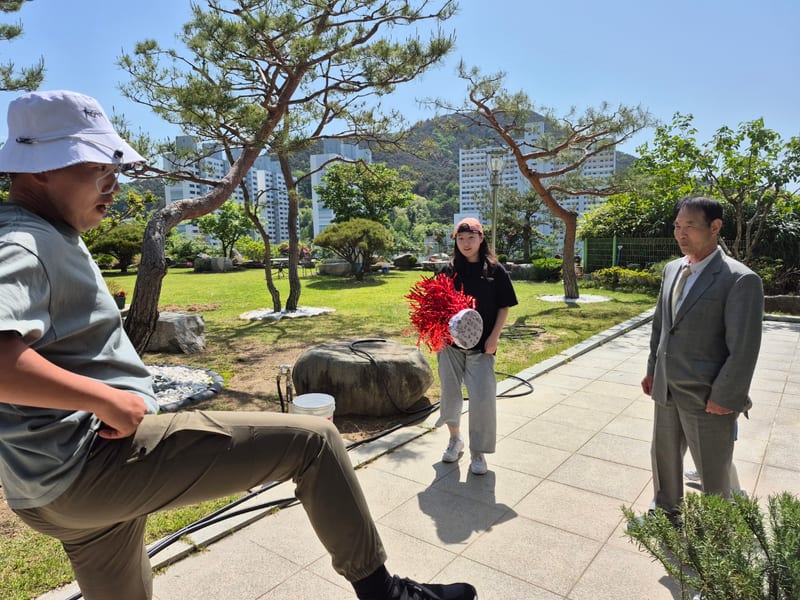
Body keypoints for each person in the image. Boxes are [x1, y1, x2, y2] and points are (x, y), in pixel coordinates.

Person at [0, 90, 477, 600]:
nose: (113, 186)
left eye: (115, 172)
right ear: (40, 169)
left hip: (41, 488)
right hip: (92, 463)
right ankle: (387, 596)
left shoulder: (40, 233)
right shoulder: (26, 244)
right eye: (99, 169)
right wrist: (107, 399)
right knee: (314, 443)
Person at [640, 195, 763, 524]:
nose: (681, 234)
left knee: (712, 469)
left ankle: (715, 534)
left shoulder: (739, 279)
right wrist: (653, 371)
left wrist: (726, 396)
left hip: (707, 396)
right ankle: (666, 511)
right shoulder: (672, 270)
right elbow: (661, 327)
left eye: (690, 227)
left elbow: (745, 348)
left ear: (715, 227)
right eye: (677, 227)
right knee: (663, 456)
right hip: (666, 386)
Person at [436, 218, 518, 475]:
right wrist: (438, 335)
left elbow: (504, 307)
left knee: (482, 398)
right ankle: (455, 439)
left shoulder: (495, 271)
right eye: (461, 239)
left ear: (482, 238)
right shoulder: (448, 271)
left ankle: (478, 453)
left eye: (471, 238)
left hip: (483, 347)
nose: (466, 243)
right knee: (450, 395)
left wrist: (494, 337)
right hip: (450, 347)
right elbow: (435, 306)